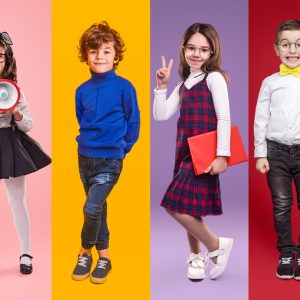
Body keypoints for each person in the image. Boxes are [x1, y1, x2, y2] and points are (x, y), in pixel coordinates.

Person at [153, 23, 233, 280]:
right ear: (183, 49)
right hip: (184, 152)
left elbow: (224, 117)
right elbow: (161, 115)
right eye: (191, 48)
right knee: (189, 205)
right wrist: (161, 86)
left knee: (173, 205)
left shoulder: (214, 78)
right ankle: (196, 258)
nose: (196, 54)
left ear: (212, 53)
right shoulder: (183, 85)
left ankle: (216, 245)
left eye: (204, 49)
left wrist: (222, 155)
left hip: (205, 154)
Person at [72, 21, 140, 284]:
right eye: (93, 51)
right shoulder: (81, 90)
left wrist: (124, 148)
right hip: (84, 157)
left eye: (106, 51)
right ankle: (105, 257)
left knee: (91, 209)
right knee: (99, 209)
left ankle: (83, 251)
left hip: (110, 160)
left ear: (116, 56)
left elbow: (133, 122)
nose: (100, 56)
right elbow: (82, 119)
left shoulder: (125, 87)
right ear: (85, 56)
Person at [0, 31, 51, 274]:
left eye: (0, 56)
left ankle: (25, 253)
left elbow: (28, 124)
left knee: (17, 201)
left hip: (10, 145)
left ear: (7, 59)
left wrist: (16, 114)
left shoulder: (13, 89)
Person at [254, 19, 300, 280]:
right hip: (276, 153)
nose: (292, 50)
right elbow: (261, 119)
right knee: (281, 205)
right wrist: (261, 153)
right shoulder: (270, 82)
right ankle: (286, 251)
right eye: (286, 44)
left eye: (298, 44)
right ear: (276, 49)